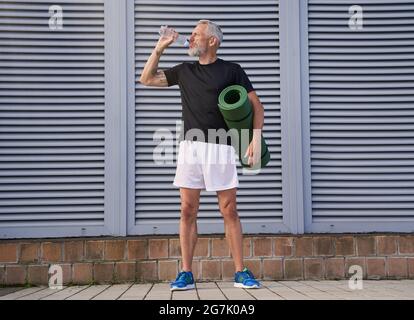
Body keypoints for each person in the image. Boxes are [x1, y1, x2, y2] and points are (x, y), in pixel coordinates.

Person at [139, 20, 264, 291]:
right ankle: (186, 272)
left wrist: (255, 138)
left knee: (229, 210)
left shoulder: (232, 70)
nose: (191, 38)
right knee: (187, 210)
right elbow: (146, 79)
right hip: (190, 147)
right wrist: (159, 48)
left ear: (212, 41)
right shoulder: (185, 71)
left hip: (220, 146)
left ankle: (240, 271)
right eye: (192, 34)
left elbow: (257, 106)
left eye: (197, 34)